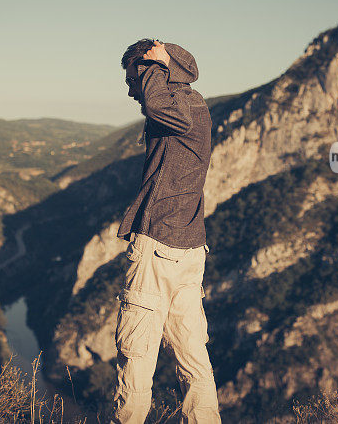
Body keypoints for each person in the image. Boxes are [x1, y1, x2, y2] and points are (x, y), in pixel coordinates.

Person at [111, 39, 221, 423]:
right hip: (189, 249)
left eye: (132, 79)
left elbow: (156, 103)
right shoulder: (195, 102)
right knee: (193, 358)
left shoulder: (176, 107)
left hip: (158, 247)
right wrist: (162, 67)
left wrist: (153, 65)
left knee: (136, 358)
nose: (130, 90)